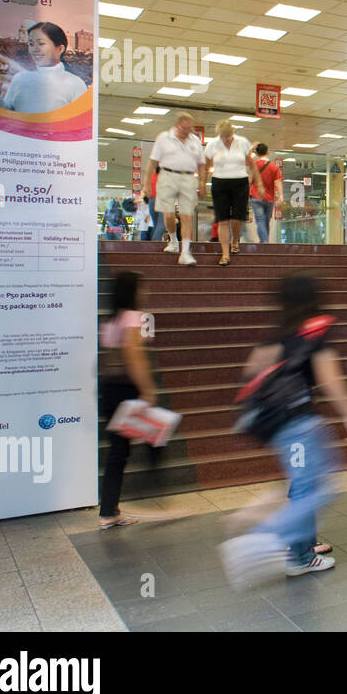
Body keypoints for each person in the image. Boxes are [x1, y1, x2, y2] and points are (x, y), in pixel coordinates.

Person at [221, 275, 347, 582]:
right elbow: (330, 379)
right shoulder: (315, 332)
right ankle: (275, 544)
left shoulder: (279, 332)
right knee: (319, 488)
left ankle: (303, 548)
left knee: (304, 485)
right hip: (300, 423)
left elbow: (251, 371)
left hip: (277, 424)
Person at [98, 271, 161, 529]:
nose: (145, 292)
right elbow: (134, 355)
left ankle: (109, 510)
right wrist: (147, 389)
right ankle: (152, 483)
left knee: (118, 451)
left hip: (110, 390)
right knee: (153, 437)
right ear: (133, 291)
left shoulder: (112, 320)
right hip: (127, 390)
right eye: (142, 287)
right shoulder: (134, 318)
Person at [0, 22, 87, 113]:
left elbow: (80, 126)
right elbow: (4, 116)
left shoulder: (75, 84)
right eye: (31, 44)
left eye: (41, 44)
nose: (35, 49)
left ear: (60, 49)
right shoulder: (19, 78)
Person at [149, 112, 207, 266]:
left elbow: (202, 165)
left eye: (190, 129)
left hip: (188, 177)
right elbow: (152, 161)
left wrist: (202, 183)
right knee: (168, 216)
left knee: (187, 215)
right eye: (184, 128)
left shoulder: (195, 141)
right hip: (167, 175)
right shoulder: (164, 137)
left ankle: (185, 252)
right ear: (177, 125)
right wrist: (147, 184)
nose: (187, 132)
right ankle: (173, 241)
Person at [204, 120, 255, 266]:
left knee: (238, 218)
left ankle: (234, 240)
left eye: (228, 136)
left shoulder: (243, 142)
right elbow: (206, 165)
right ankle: (225, 254)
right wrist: (202, 183)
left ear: (232, 133)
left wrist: (253, 180)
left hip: (240, 181)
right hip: (220, 182)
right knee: (223, 220)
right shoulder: (213, 144)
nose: (225, 139)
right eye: (222, 136)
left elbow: (251, 164)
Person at [248, 143, 283, 245]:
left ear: (257, 153)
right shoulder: (274, 167)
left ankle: (264, 241)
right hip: (269, 198)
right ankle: (265, 242)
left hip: (256, 196)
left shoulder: (254, 165)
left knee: (260, 220)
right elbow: (277, 182)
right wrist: (280, 196)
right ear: (267, 152)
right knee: (266, 220)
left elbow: (250, 179)